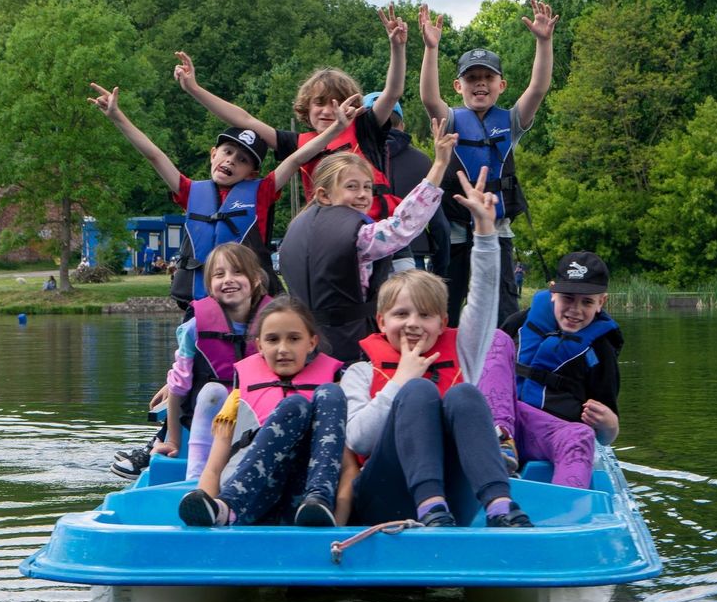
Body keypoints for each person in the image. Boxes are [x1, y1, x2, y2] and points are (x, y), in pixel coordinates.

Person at [342, 166, 533, 529]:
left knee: (465, 396)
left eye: (425, 315)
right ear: (382, 322)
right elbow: (359, 439)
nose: (413, 323)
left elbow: (483, 298)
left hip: (453, 504)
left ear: (442, 323)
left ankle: (499, 507)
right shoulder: (361, 372)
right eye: (401, 314)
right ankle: (429, 505)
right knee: (417, 391)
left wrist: (485, 231)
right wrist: (399, 380)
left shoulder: (463, 354)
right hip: (384, 496)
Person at [89, 82, 361, 306]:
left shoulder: (263, 191)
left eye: (242, 160)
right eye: (227, 152)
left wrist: (336, 129)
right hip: (200, 302)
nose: (231, 161)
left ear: (252, 173)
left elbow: (297, 158)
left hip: (251, 304)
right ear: (213, 154)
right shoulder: (189, 191)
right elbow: (154, 155)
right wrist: (118, 117)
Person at [170, 6, 407, 222]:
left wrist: (397, 48)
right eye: (319, 103)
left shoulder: (366, 128)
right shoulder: (297, 143)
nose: (326, 111)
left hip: (379, 229)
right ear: (307, 108)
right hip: (331, 231)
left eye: (335, 104)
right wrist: (194, 89)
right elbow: (244, 119)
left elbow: (393, 92)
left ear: (350, 106)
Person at [419, 0, 559, 327]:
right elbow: (428, 97)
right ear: (459, 86)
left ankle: (503, 367)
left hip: (497, 231)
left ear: (501, 85)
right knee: (447, 311)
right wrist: (430, 48)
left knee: (505, 312)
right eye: (471, 78)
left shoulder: (510, 122)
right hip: (455, 232)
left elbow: (538, 88)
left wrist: (544, 41)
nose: (480, 83)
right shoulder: (451, 119)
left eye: (487, 77)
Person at [279, 119, 456, 366]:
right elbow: (402, 226)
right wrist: (439, 165)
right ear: (324, 194)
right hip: (348, 345)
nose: (363, 195)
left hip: (308, 343)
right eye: (352, 187)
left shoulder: (294, 230)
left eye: (367, 187)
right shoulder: (358, 237)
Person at [178, 296, 351, 527]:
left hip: (301, 505)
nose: (283, 349)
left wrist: (338, 526)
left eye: (294, 339)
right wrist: (208, 509)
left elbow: (348, 469)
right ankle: (225, 508)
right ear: (259, 345)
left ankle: (318, 501)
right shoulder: (238, 400)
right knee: (295, 406)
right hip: (250, 505)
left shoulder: (334, 394)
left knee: (331, 393)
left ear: (311, 343)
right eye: (272, 339)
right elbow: (213, 468)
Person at [111, 243, 272, 481]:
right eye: (219, 274)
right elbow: (178, 388)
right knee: (212, 391)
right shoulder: (193, 329)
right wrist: (173, 440)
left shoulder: (273, 323)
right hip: (209, 416)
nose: (228, 279)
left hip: (256, 416)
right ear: (210, 286)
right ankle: (195, 481)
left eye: (238, 272)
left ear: (257, 280)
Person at [480, 252, 622, 489]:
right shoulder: (518, 323)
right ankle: (501, 440)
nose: (575, 310)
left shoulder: (601, 350)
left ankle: (566, 510)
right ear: (553, 292)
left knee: (581, 436)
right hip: (501, 423)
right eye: (568, 298)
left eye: (587, 302)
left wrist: (610, 426)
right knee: (493, 338)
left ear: (601, 303)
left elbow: (605, 434)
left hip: (553, 434)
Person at [363, 91, 451, 276]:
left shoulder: (351, 160)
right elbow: (439, 226)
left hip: (363, 252)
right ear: (402, 125)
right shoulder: (422, 162)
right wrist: (441, 271)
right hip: (413, 254)